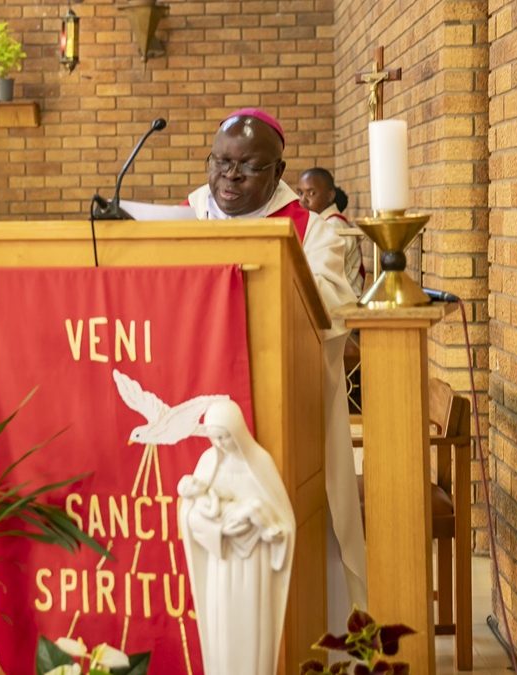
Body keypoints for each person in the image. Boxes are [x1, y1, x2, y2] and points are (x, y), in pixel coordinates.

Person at [186, 108, 367, 634]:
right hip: (195, 408)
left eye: (248, 165)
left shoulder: (314, 229)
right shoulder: (187, 215)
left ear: (278, 169)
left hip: (283, 411)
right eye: (220, 162)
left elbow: (330, 308)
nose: (230, 176)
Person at [178, 399, 295, 675]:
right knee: (224, 632)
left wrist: (271, 533)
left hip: (255, 565)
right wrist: (219, 528)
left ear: (237, 431)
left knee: (253, 630)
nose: (219, 444)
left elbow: (285, 522)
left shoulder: (260, 463)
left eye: (224, 437)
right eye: (214, 438)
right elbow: (189, 515)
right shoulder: (208, 463)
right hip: (222, 563)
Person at [298, 167, 365, 297]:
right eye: (300, 193)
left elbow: (321, 275)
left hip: (342, 303)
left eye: (311, 193)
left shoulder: (333, 225)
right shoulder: (321, 223)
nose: (303, 200)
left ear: (330, 195)